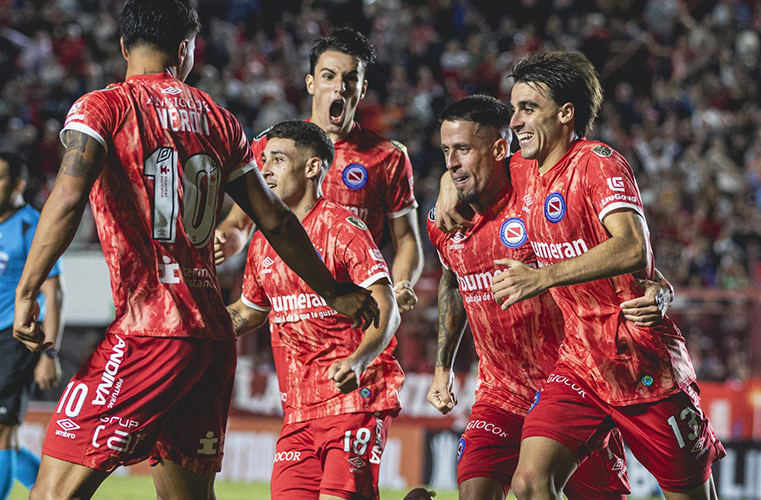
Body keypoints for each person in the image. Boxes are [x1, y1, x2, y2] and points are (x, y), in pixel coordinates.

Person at [11, 2, 379, 499]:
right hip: (211, 340)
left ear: (124, 46)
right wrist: (332, 291)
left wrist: (28, 288)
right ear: (185, 50)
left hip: (149, 330)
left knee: (52, 494)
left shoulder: (103, 107)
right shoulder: (218, 119)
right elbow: (274, 218)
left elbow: (69, 195)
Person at [489, 50, 725, 500]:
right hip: (580, 363)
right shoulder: (521, 168)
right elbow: (472, 166)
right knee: (530, 481)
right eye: (514, 108)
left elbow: (634, 247)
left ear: (565, 113)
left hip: (641, 361)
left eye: (527, 108)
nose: (515, 120)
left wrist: (543, 277)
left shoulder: (597, 162)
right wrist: (445, 188)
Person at [426, 95, 639, 500]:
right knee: (475, 491)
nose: (451, 163)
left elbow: (606, 242)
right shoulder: (444, 222)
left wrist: (657, 286)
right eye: (446, 151)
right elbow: (451, 280)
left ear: (500, 149)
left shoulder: (535, 187)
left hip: (574, 386)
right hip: (498, 394)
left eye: (463, 150)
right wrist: (443, 366)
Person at [226, 120, 403, 500]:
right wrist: (193, 323)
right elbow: (250, 311)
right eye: (264, 160)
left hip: (357, 399)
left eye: (277, 159)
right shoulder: (262, 242)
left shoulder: (343, 228)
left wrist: (357, 361)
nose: (266, 169)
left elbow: (387, 306)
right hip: (298, 413)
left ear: (311, 168)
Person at [214, 28, 423, 313]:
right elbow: (241, 223)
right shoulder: (270, 147)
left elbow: (407, 238)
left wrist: (402, 284)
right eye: (329, 76)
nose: (339, 87)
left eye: (351, 79)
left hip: (358, 310)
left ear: (362, 88)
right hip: (294, 311)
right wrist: (224, 241)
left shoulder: (388, 157)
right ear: (311, 83)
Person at [0, 152, 63, 500]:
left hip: (14, 339)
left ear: (17, 184)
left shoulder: (32, 225)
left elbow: (54, 291)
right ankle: (59, 496)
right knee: (0, 439)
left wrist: (49, 352)